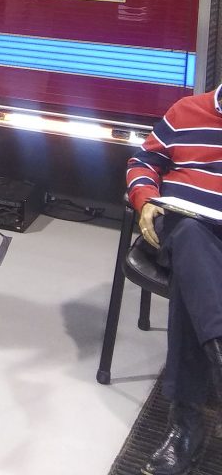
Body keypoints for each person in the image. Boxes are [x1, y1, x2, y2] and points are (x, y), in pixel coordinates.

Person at [127, 86, 222, 475]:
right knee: (188, 237)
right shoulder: (187, 111)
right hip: (183, 227)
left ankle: (186, 422)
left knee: (193, 282)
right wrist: (145, 197)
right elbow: (143, 161)